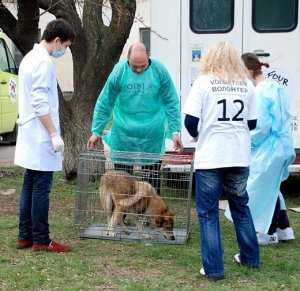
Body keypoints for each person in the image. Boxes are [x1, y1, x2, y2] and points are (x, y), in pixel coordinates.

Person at [183, 42, 260, 280]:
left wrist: (199, 136)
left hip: (212, 156)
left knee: (208, 213)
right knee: (240, 206)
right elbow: (253, 123)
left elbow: (190, 122)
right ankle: (250, 258)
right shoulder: (247, 85)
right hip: (238, 155)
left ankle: (214, 269)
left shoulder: (203, 83)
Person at [87, 42, 182, 192]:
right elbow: (105, 101)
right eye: (134, 66)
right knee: (122, 183)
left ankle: (148, 214)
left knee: (151, 183)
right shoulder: (119, 71)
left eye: (142, 66)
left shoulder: (159, 70)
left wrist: (175, 131)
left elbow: (171, 101)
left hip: (151, 133)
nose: (138, 70)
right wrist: (96, 131)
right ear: (127, 60)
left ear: (148, 58)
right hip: (124, 134)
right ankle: (121, 214)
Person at [14, 19, 75, 252]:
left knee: (29, 184)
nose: (65, 50)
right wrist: (53, 134)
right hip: (41, 134)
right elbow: (40, 102)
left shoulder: (29, 57)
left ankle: (25, 236)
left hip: (31, 132)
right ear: (57, 40)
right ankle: (41, 239)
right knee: (41, 187)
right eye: (66, 46)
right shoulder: (43, 62)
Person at [225, 53, 295, 245]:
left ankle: (268, 232)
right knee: (272, 187)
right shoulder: (275, 87)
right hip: (282, 147)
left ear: (248, 70)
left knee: (260, 190)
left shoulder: (260, 93)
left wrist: (246, 140)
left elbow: (261, 127)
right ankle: (284, 228)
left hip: (268, 149)